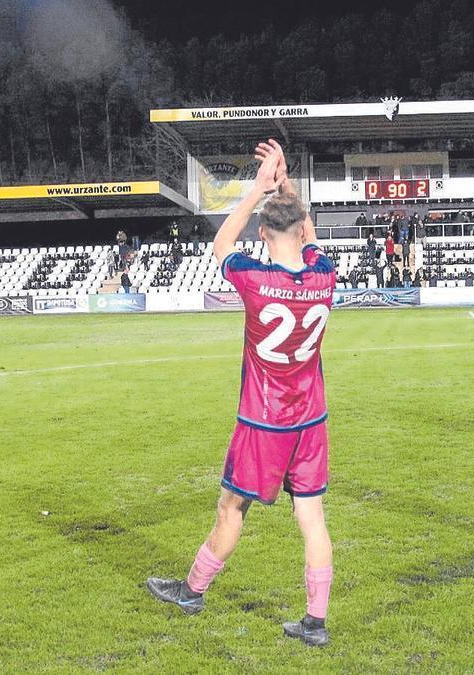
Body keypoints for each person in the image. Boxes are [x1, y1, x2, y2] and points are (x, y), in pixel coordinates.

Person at [146, 140, 337, 646]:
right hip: (311, 419)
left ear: (262, 233)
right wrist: (287, 184)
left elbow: (220, 246)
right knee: (312, 518)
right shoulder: (324, 274)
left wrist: (258, 188)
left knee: (231, 508)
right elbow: (307, 232)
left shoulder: (255, 278)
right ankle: (315, 622)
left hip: (263, 421)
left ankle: (192, 591)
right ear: (300, 228)